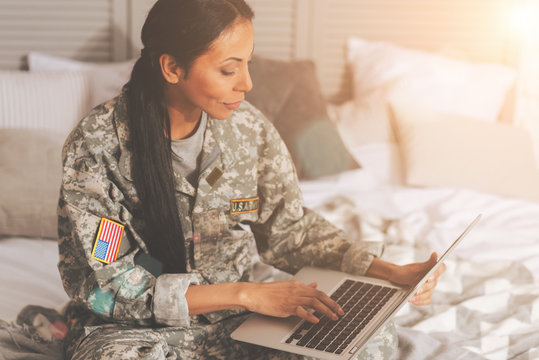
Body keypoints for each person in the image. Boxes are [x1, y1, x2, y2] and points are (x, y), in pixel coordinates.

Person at [57, 0, 446, 359]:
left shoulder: (250, 131)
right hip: (136, 331)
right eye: (229, 69)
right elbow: (111, 285)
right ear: (173, 67)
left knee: (370, 339)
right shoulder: (97, 146)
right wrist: (247, 294)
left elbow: (289, 232)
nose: (246, 83)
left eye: (247, 64)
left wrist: (388, 272)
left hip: (240, 324)